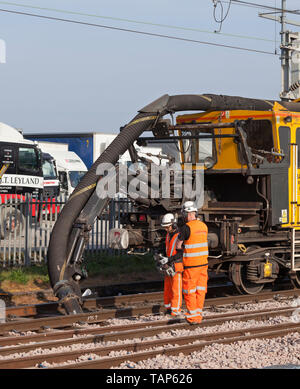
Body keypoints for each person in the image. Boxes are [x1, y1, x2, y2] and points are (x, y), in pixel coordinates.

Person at [176, 201, 209, 325]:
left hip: (191, 265)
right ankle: (198, 314)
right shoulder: (203, 226)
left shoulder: (186, 228)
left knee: (189, 291)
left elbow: (179, 246)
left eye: (184, 214)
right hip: (203, 264)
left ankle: (192, 317)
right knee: (201, 289)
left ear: (188, 213)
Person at [159, 213, 184, 317]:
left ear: (173, 225)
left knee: (176, 289)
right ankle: (169, 308)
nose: (166, 229)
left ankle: (176, 310)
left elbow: (181, 253)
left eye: (167, 227)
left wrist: (168, 259)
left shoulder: (179, 236)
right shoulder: (169, 235)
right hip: (169, 265)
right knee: (168, 289)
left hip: (176, 265)